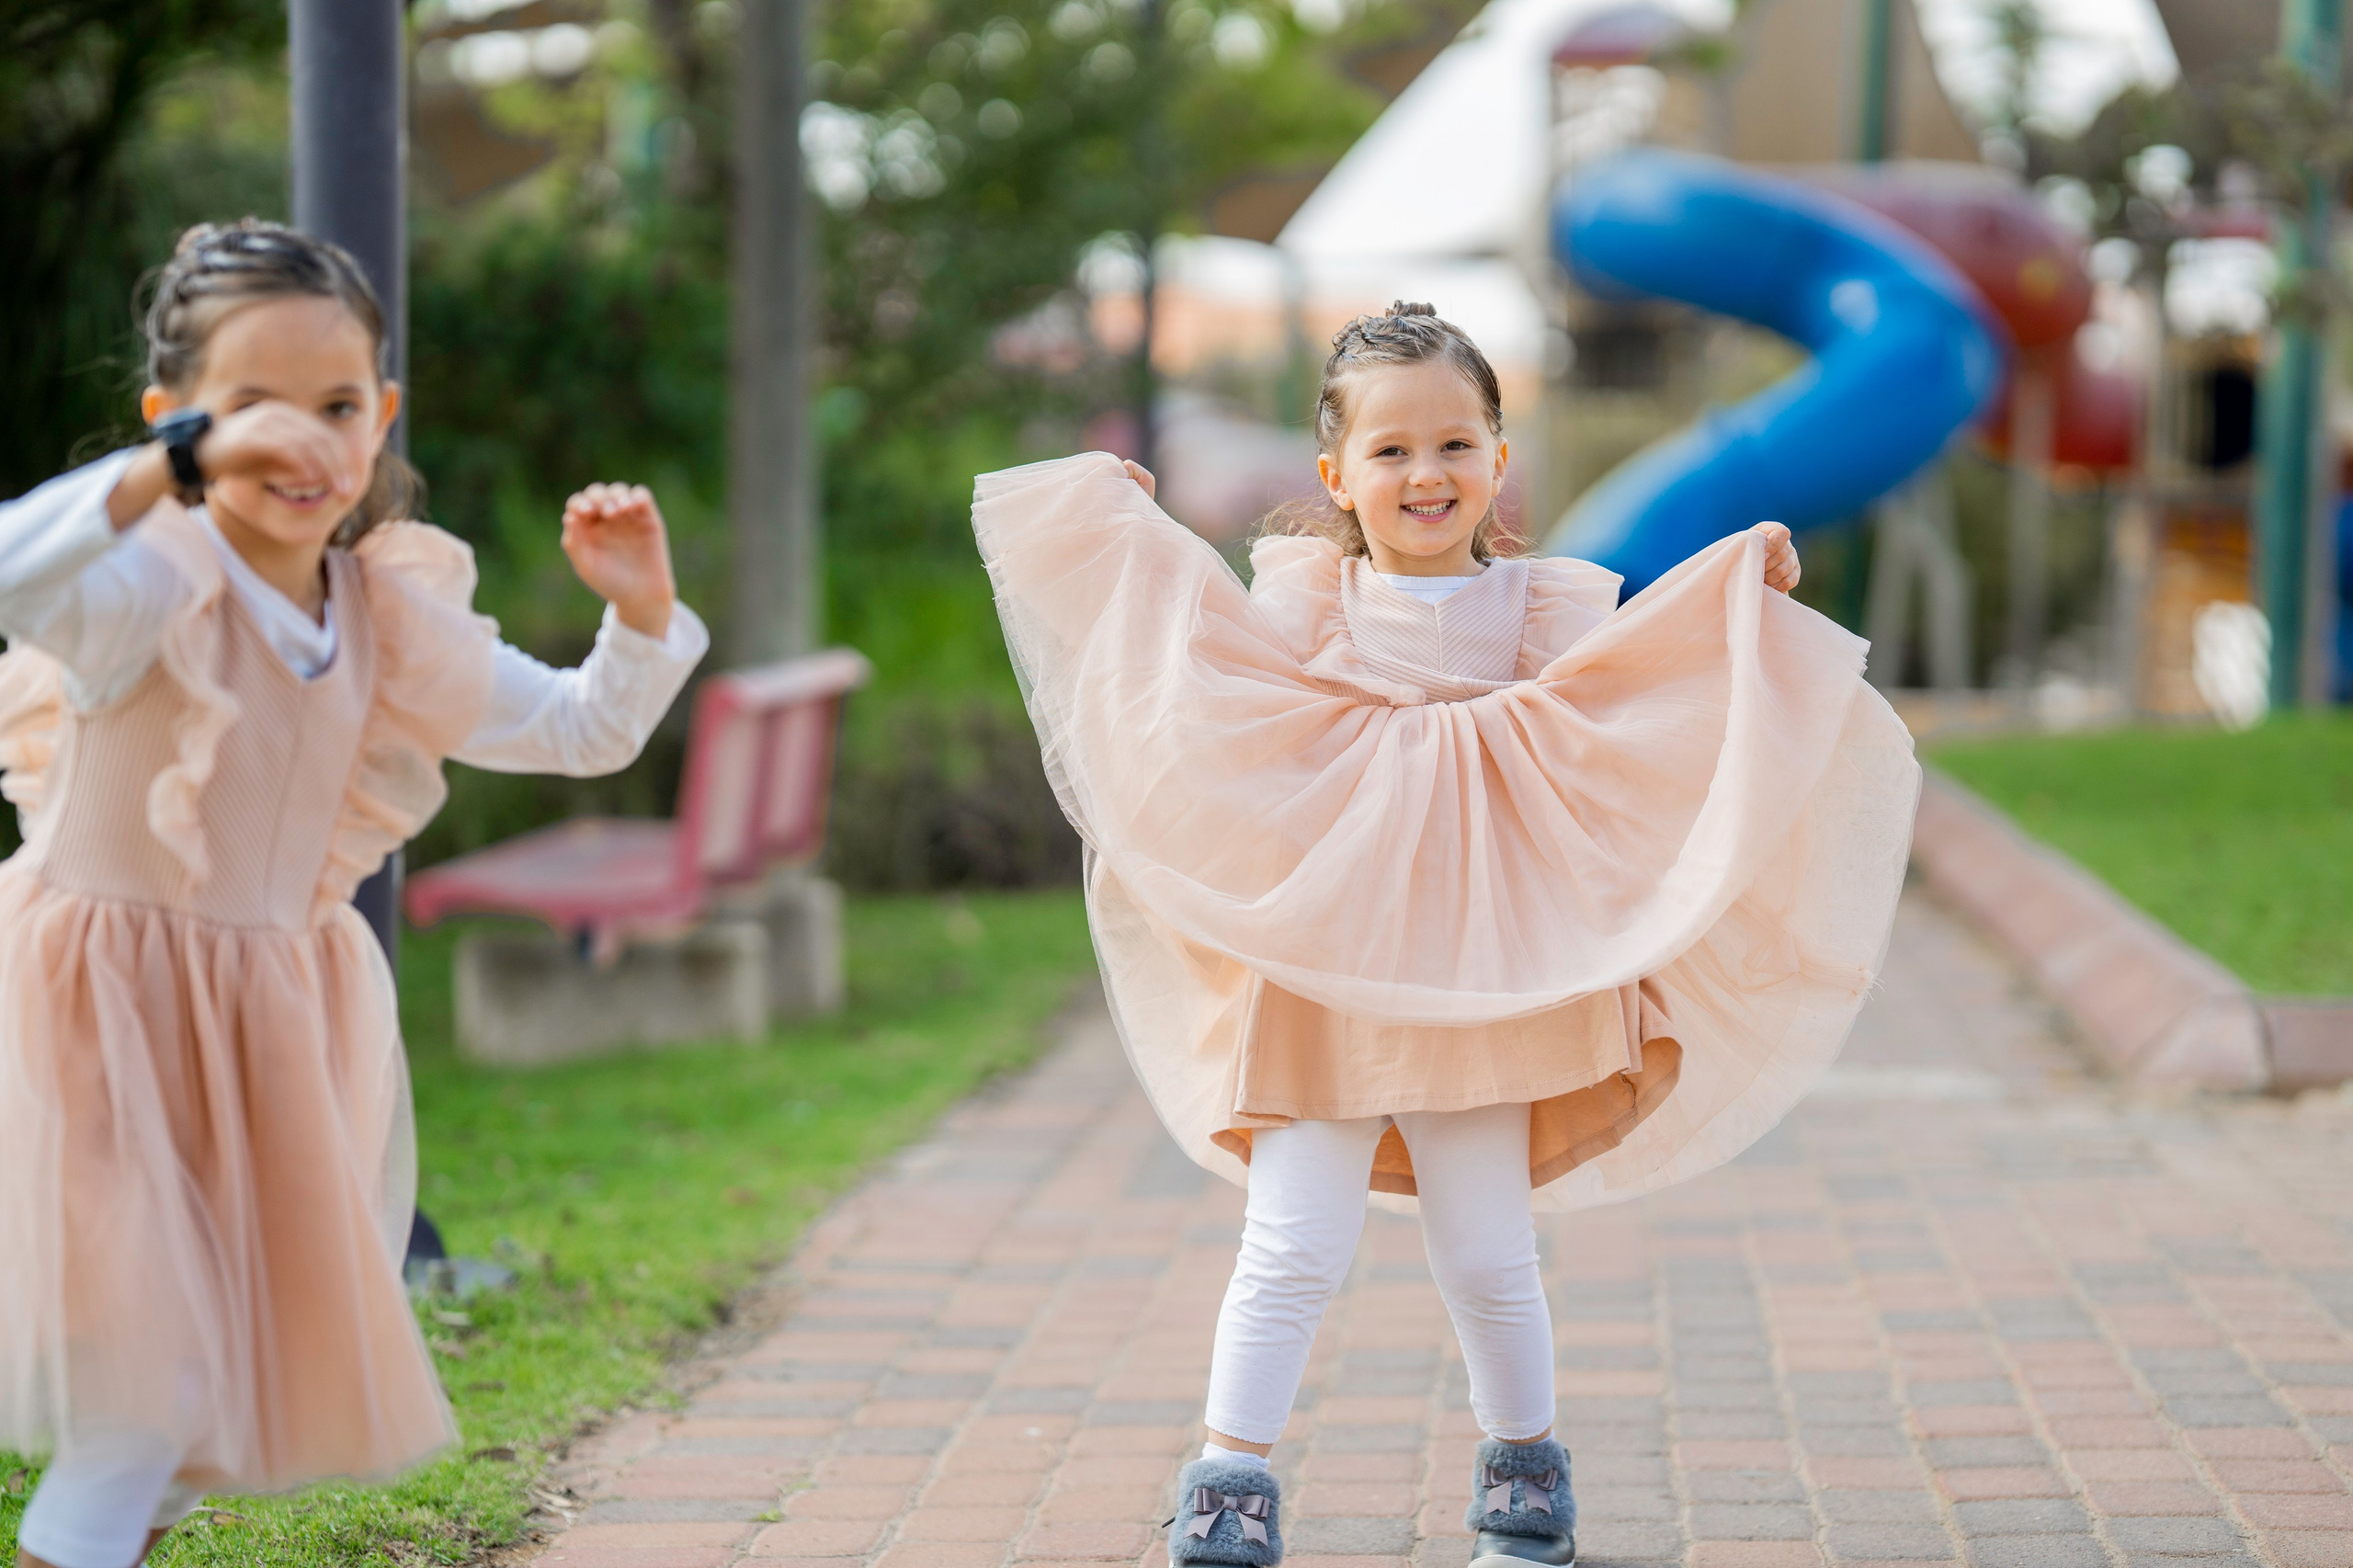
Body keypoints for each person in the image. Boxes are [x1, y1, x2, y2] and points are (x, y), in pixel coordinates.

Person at [971, 303, 1917, 1568]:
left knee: (1485, 1243)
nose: (1427, 475)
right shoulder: (1306, 604)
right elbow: (1200, 688)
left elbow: (1638, 693)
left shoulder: (1544, 608)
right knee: (1293, 1235)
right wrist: (1130, 544)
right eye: (1393, 452)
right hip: (1328, 962)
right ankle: (1229, 1477)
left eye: (1456, 445)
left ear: (1498, 458)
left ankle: (1528, 1480)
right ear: (1338, 479)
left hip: (1492, 971)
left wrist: (1738, 587)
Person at [0, 219, 710, 1568]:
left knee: (192, 1416)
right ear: (176, 419)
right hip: (91, 1029)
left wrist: (640, 613)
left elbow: (578, 731)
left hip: (259, 1038)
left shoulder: (384, 616)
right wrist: (168, 473)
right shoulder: (149, 585)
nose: (302, 439)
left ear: (382, 414)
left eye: (337, 404)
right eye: (252, 404)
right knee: (144, 1408)